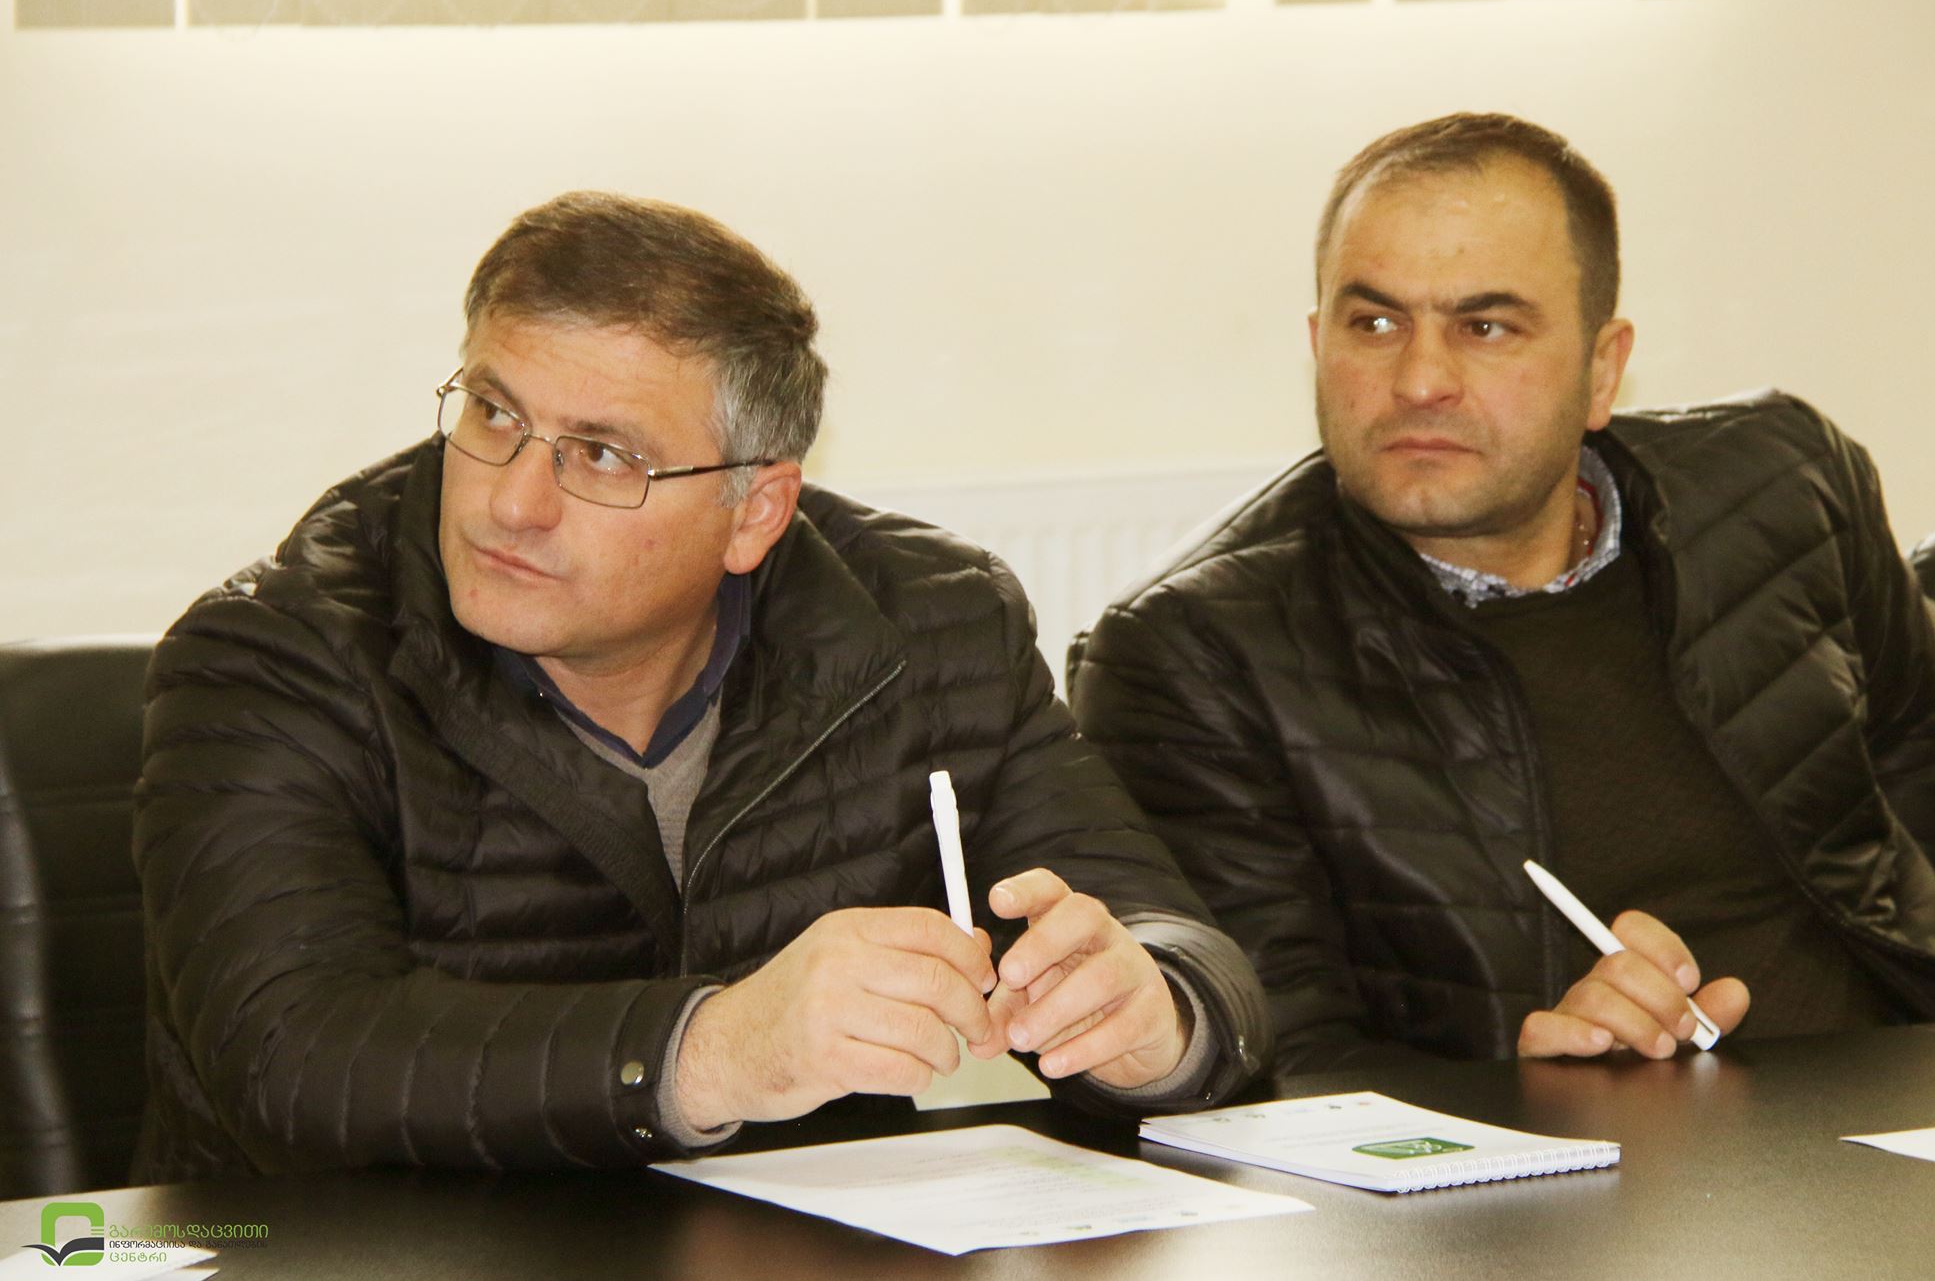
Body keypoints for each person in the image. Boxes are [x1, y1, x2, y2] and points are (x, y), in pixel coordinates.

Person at [133, 192, 1268, 1181]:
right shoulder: (275, 657)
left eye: (601, 455)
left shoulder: (931, 626)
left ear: (754, 511)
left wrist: (1154, 1022)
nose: (510, 502)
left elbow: (1178, 945)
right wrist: (714, 1049)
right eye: (493, 413)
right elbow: (292, 1056)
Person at [1070, 113, 1935, 1074]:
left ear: (1602, 368)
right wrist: (1530, 1086)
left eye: (1486, 326)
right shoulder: (1196, 652)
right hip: (1565, 1163)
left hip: (1915, 1100)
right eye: (1373, 323)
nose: (1420, 379)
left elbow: (1923, 741)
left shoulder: (1787, 485)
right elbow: (1278, 1068)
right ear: (1318, 343)